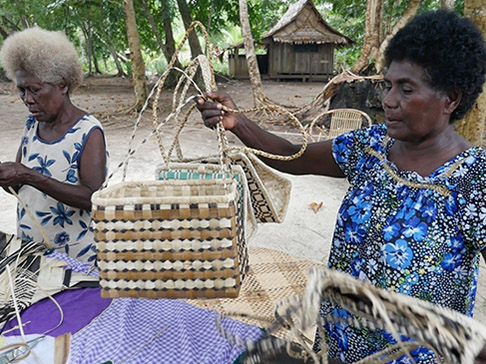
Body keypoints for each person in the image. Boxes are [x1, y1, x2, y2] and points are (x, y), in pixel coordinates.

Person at [196, 10, 486, 364]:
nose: (389, 100)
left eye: (406, 89)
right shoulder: (371, 147)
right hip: (339, 347)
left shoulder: (475, 180)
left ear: (451, 99)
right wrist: (236, 122)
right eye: (388, 85)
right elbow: (292, 155)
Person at [0, 27, 108, 263]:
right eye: (22, 90)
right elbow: (21, 186)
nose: (27, 99)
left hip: (76, 260)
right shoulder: (32, 125)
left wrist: (29, 175)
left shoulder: (88, 131)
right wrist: (8, 176)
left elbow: (93, 198)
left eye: (35, 90)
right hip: (32, 252)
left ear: (62, 84)